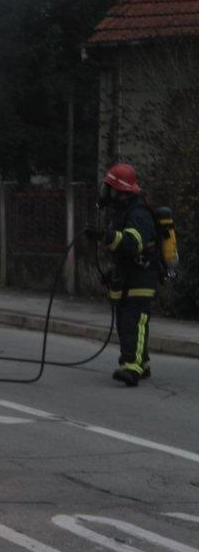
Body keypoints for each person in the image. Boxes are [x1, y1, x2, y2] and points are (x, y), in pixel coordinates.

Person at [86, 163, 159, 387]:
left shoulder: (138, 212)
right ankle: (142, 363)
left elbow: (134, 243)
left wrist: (106, 237)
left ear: (120, 190)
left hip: (140, 276)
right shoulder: (122, 211)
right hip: (127, 275)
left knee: (133, 322)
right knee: (125, 322)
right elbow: (121, 249)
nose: (106, 193)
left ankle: (132, 367)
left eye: (109, 188)